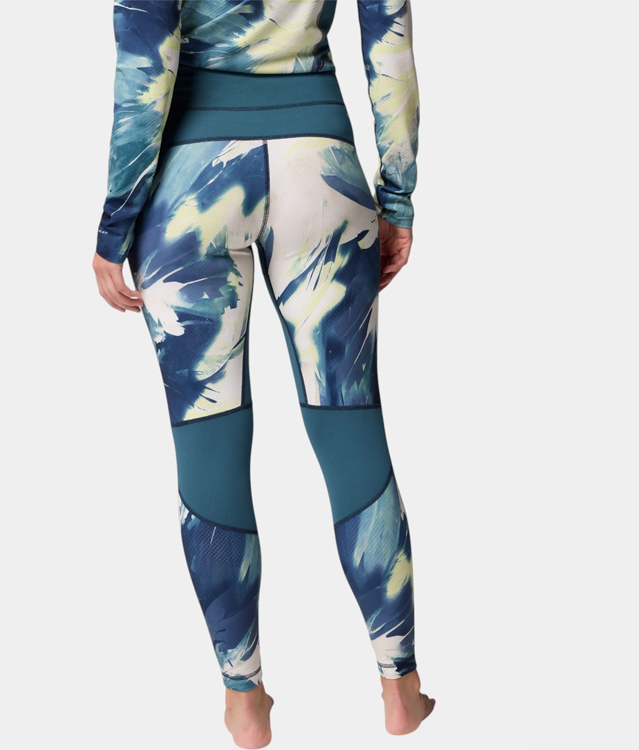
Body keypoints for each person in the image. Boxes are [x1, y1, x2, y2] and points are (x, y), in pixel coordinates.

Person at [92, 1, 435, 746]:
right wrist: (398, 196)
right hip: (322, 172)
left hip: (190, 185)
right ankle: (400, 687)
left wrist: (116, 222)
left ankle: (244, 701)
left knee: (207, 444)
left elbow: (144, 67)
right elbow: (391, 44)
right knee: (351, 432)